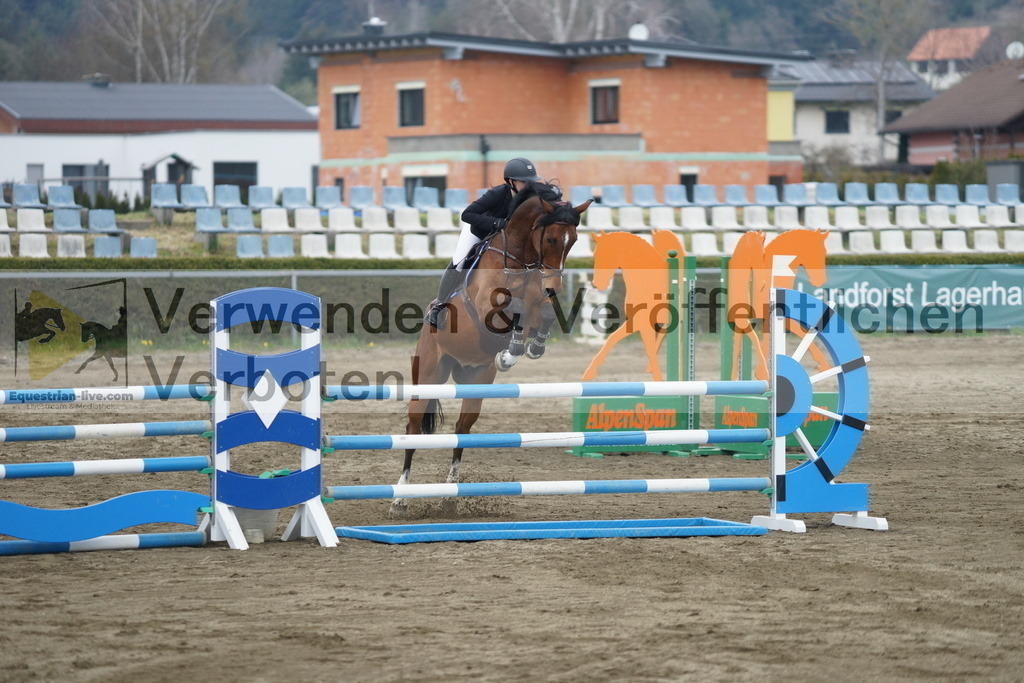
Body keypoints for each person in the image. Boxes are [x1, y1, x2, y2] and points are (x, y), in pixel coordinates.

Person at [424, 157, 541, 329]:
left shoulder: (531, 198)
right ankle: (439, 306)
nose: (529, 186)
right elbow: (467, 214)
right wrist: (497, 223)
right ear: (510, 182)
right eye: (524, 182)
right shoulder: (497, 194)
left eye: (531, 182)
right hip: (479, 232)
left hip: (506, 241)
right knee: (459, 262)